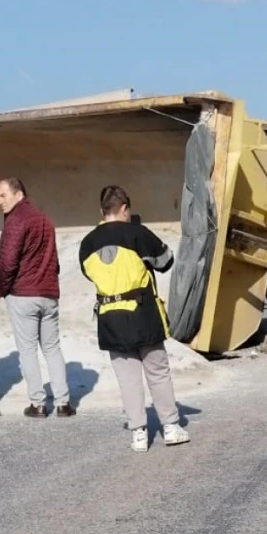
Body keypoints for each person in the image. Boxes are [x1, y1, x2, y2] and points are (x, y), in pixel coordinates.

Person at [78, 185, 189, 452]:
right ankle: (170, 427)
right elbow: (166, 261)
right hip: (143, 315)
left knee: (127, 379)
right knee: (157, 372)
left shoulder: (87, 243)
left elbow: (88, 273)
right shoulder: (138, 233)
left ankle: (138, 433)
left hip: (110, 318)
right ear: (125, 208)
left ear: (102, 211)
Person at [0, 177, 73, 418]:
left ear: (18, 194)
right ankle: (63, 403)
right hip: (48, 293)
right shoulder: (45, 220)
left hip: (23, 294)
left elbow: (8, 262)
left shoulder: (16, 220)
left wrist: (1, 288)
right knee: (52, 347)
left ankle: (38, 403)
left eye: (2, 195)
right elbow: (54, 261)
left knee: (27, 349)